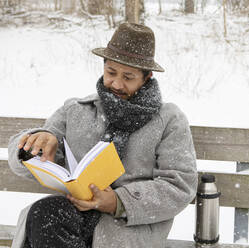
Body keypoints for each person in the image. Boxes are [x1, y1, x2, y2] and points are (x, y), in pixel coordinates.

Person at [8, 23, 198, 248]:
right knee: (45, 214)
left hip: (126, 227)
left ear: (146, 78)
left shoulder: (169, 119)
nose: (117, 83)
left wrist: (117, 202)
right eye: (111, 73)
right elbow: (21, 161)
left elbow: (180, 185)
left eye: (128, 77)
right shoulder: (76, 109)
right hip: (72, 213)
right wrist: (37, 141)